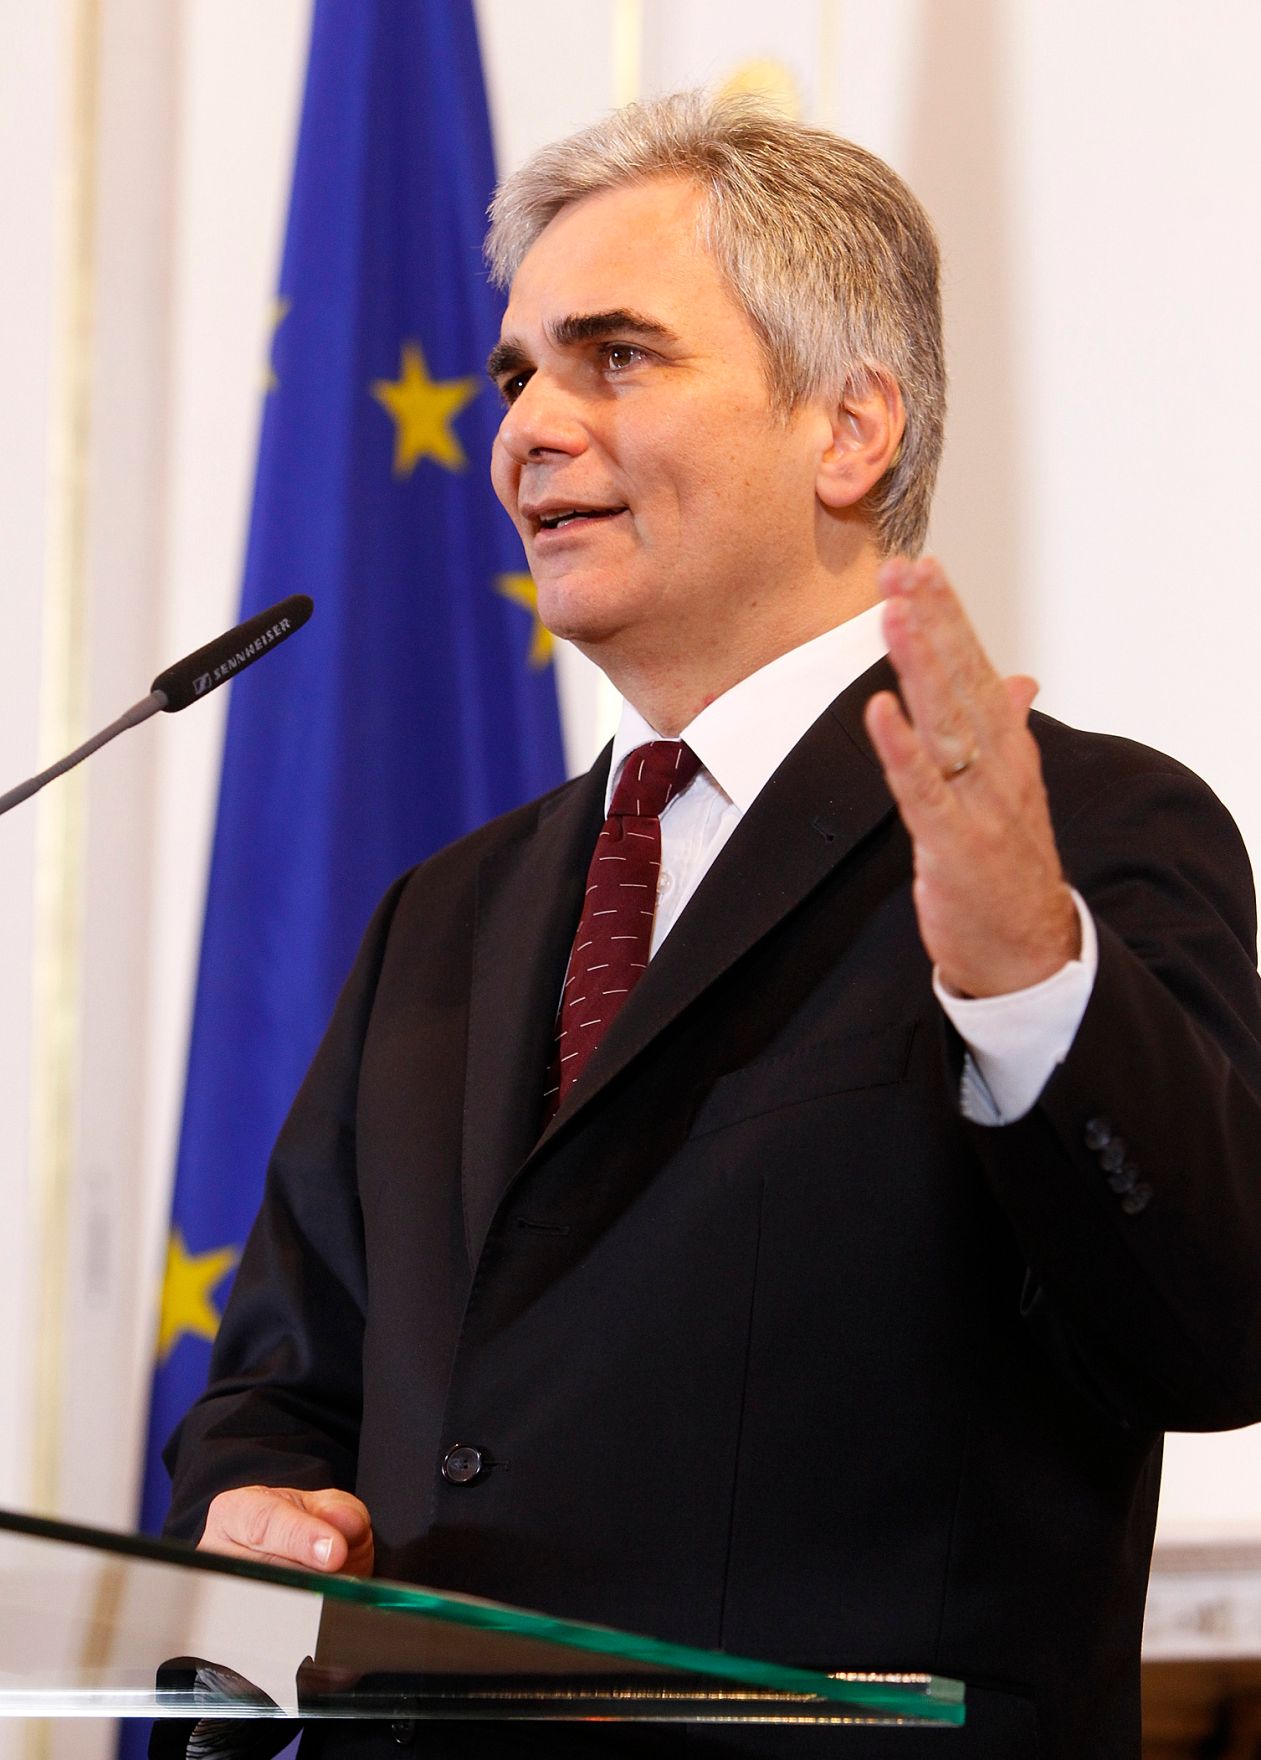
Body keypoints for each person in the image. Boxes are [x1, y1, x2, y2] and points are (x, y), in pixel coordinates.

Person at [162, 93, 1261, 1758]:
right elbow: (283, 1387)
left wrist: (1029, 981)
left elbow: (1212, 1329)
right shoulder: (443, 915)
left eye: (615, 358)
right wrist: (258, 1506)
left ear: (850, 428)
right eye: (514, 374)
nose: (528, 428)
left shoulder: (1082, 836)